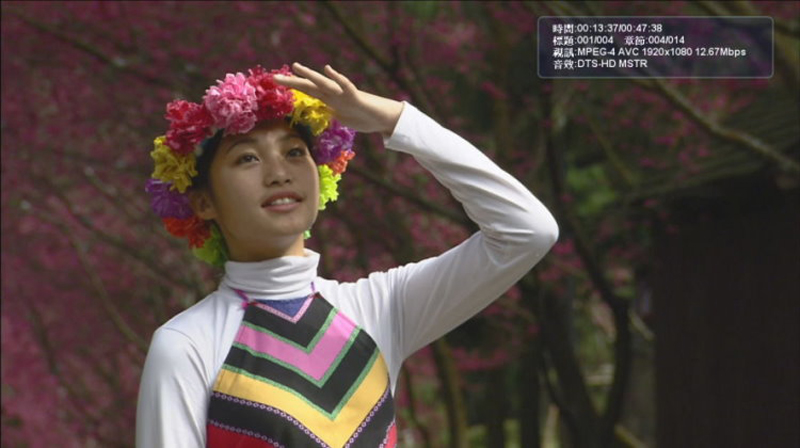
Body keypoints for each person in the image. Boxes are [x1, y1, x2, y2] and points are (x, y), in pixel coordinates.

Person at [135, 62, 559, 448]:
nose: (279, 173)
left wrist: (395, 119)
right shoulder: (187, 344)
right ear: (203, 202)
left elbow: (527, 231)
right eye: (247, 158)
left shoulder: (379, 308)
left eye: (294, 152)